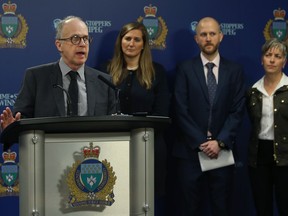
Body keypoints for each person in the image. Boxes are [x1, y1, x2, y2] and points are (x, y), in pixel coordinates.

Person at [172, 17, 245, 216]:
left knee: (222, 208)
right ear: (196, 39)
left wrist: (219, 142)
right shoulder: (184, 69)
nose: (208, 38)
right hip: (190, 153)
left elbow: (237, 110)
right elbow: (180, 109)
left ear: (221, 36)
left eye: (212, 34)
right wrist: (202, 141)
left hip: (222, 153)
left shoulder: (235, 71)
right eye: (203, 34)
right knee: (189, 208)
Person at [100, 22, 170, 215]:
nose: (131, 43)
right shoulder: (104, 71)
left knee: (145, 203)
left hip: (150, 147)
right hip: (114, 147)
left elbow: (162, 113)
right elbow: (100, 110)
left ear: (144, 44)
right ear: (120, 42)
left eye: (136, 39)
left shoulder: (158, 73)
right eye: (127, 38)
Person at [0, 16, 116, 130]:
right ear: (59, 45)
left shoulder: (104, 82)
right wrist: (12, 127)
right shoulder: (36, 77)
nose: (82, 44)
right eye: (75, 38)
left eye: (86, 39)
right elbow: (21, 121)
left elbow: (113, 129)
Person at [246, 38, 288, 216]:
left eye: (277, 56)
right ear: (261, 59)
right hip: (259, 154)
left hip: (285, 155)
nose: (272, 60)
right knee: (262, 207)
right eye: (268, 55)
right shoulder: (253, 91)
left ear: (284, 62)